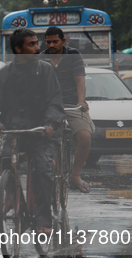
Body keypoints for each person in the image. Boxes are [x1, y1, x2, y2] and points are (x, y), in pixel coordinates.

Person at [0, 28, 64, 233]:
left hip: (41, 133)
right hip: (15, 132)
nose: (38, 48)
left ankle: (44, 221)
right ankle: (12, 195)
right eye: (32, 44)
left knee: (43, 170)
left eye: (37, 43)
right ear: (18, 49)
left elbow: (55, 101)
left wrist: (50, 124)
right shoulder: (4, 74)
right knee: (4, 158)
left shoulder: (45, 71)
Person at [40, 26, 95, 193]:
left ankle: (75, 174)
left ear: (63, 41)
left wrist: (81, 101)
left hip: (72, 105)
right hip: (49, 107)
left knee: (85, 136)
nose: (51, 45)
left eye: (55, 41)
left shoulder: (73, 55)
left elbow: (80, 82)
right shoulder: (40, 58)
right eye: (48, 42)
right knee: (40, 136)